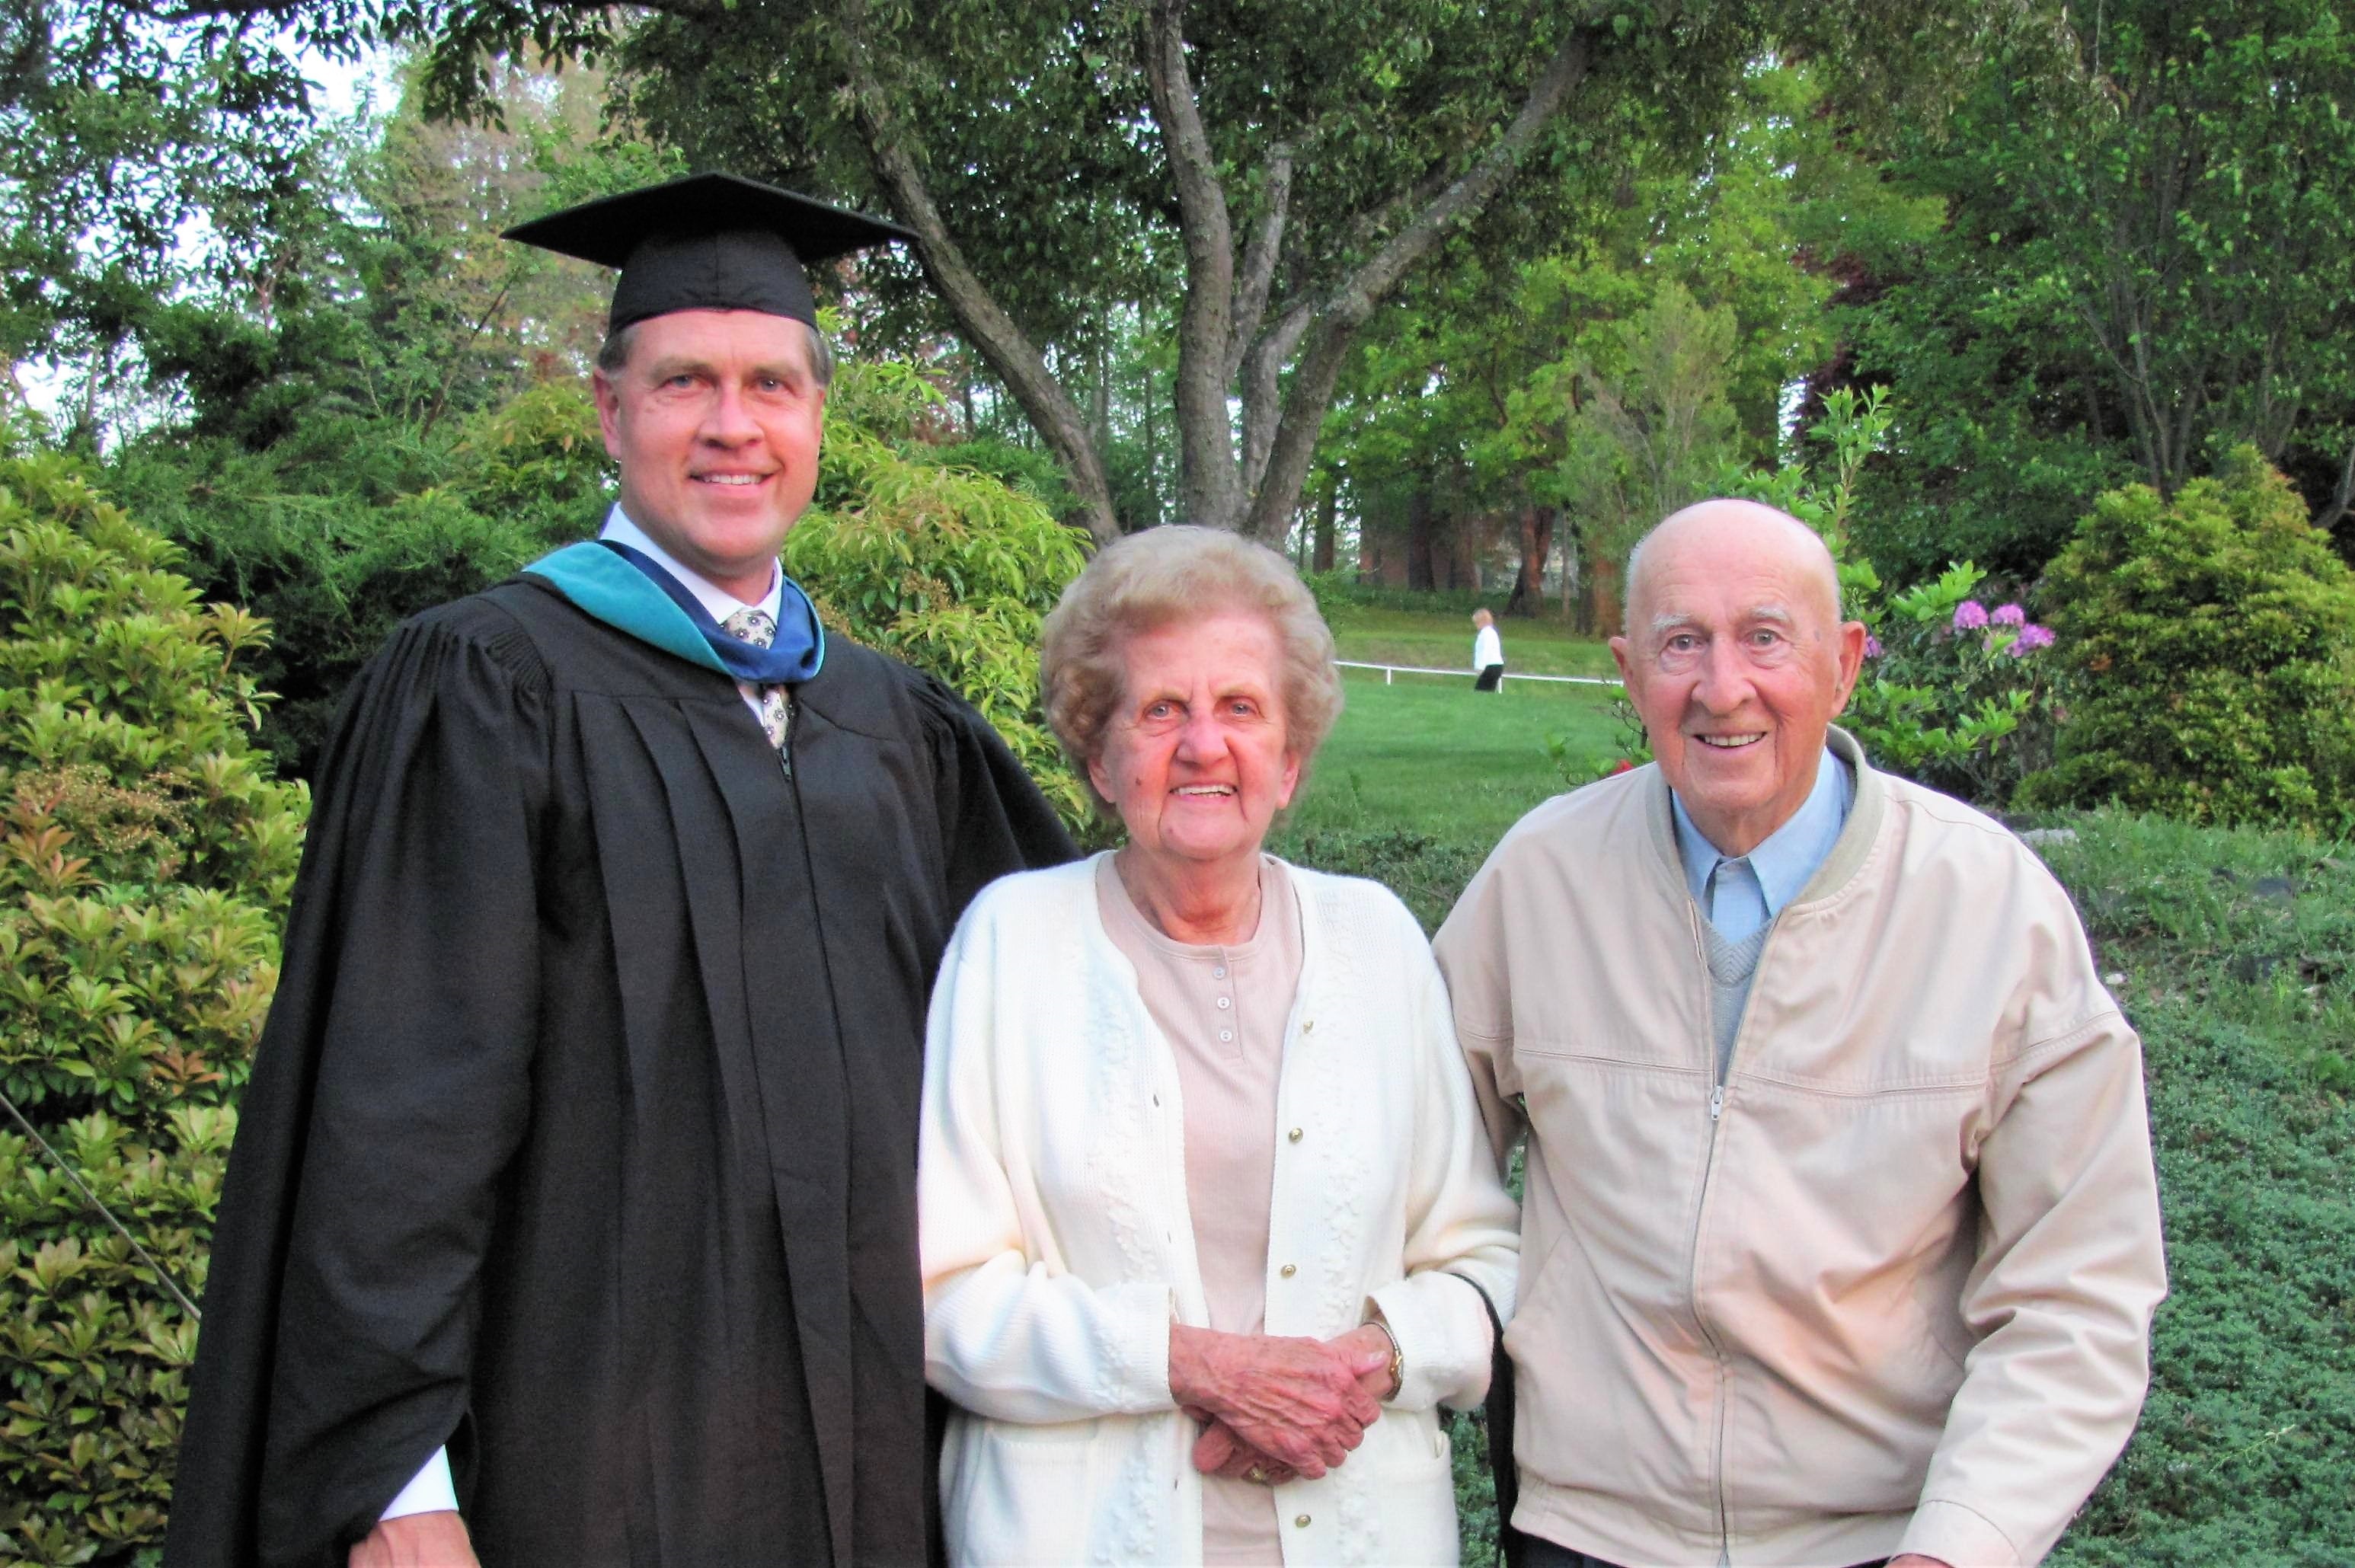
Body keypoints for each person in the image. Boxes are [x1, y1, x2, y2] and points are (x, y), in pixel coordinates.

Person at [166, 172, 1075, 1568]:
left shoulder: (898, 728)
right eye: (683, 382)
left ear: (818, 417)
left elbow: (1046, 1058)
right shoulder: (490, 686)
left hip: (882, 1439)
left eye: (772, 383)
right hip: (584, 1448)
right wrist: (398, 1488)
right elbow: (392, 1124)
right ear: (609, 410)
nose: (732, 424)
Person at [1434, 499, 2166, 1568]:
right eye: (1682, 641)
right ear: (1631, 671)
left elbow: (2081, 1290)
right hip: (1589, 1531)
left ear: (1844, 664)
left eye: (1766, 637)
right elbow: (1413, 1167)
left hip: (1883, 1539)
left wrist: (1960, 1543)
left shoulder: (1991, 905)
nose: (1723, 687)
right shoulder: (1539, 879)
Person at [917, 526, 1519, 1566]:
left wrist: (1372, 1360)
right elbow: (943, 1294)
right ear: (1100, 758)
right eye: (1160, 710)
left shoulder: (1376, 940)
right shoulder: (1012, 941)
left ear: (1289, 760)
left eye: (1241, 707)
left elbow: (1482, 1259)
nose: (1204, 744)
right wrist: (1198, 1364)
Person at [1471, 607, 1505, 691]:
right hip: (1494, 666)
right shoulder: (1489, 632)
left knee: (1481, 692)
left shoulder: (1487, 633)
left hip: (1490, 666)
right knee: (1486, 691)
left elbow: (1486, 650)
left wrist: (1480, 667)